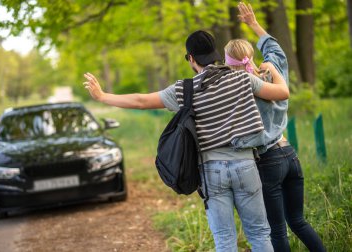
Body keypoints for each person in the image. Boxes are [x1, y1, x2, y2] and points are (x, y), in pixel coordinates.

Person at [83, 30, 289, 252]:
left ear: (191, 58)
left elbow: (141, 100)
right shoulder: (243, 78)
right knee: (259, 233)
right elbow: (282, 93)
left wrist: (103, 96)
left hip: (212, 171)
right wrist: (272, 67)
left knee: (224, 239)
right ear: (215, 53)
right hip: (246, 165)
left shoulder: (185, 89)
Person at [226, 3, 326, 252]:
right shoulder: (270, 71)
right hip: (290, 154)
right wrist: (253, 24)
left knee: (276, 230)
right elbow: (275, 49)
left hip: (268, 160)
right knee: (298, 221)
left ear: (230, 64)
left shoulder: (238, 87)